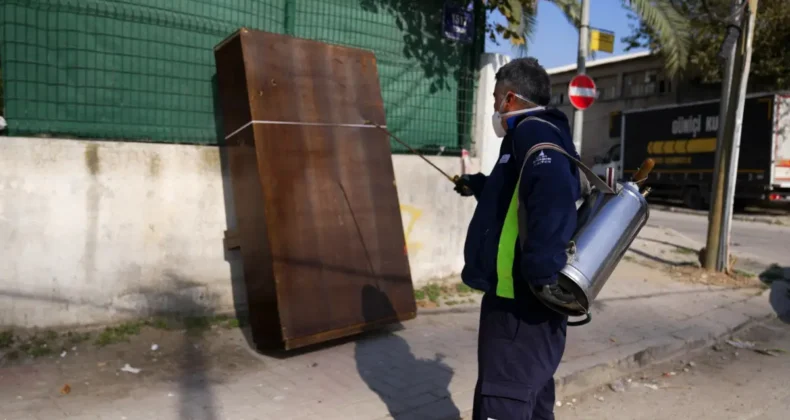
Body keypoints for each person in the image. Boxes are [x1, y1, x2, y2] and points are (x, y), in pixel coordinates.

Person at [454, 57, 582, 420]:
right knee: (531, 398)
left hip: (520, 303)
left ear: (510, 99)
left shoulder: (531, 132)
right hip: (524, 302)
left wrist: (541, 274)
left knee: (504, 400)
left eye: (496, 98)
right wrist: (480, 185)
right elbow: (519, 198)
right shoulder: (533, 134)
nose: (494, 106)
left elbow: (552, 193)